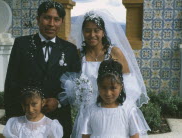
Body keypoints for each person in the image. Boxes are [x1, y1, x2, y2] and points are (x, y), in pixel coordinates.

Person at [60, 9, 149, 138]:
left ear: (103, 32)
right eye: (88, 30)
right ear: (83, 32)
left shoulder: (114, 53)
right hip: (89, 111)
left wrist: (118, 106)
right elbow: (73, 81)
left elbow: (130, 83)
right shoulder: (79, 55)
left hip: (113, 107)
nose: (92, 34)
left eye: (96, 30)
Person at [4, 1, 81, 138]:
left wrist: (58, 102)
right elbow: (11, 83)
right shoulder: (22, 45)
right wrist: (13, 119)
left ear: (62, 21)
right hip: (26, 120)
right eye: (47, 18)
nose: (51, 23)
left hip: (58, 121)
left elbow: (76, 86)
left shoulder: (70, 50)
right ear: (38, 19)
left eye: (56, 19)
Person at [81, 59, 150, 138]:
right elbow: (85, 136)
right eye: (104, 87)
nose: (108, 93)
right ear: (98, 85)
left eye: (113, 88)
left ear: (121, 87)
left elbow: (134, 136)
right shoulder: (91, 110)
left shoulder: (128, 110)